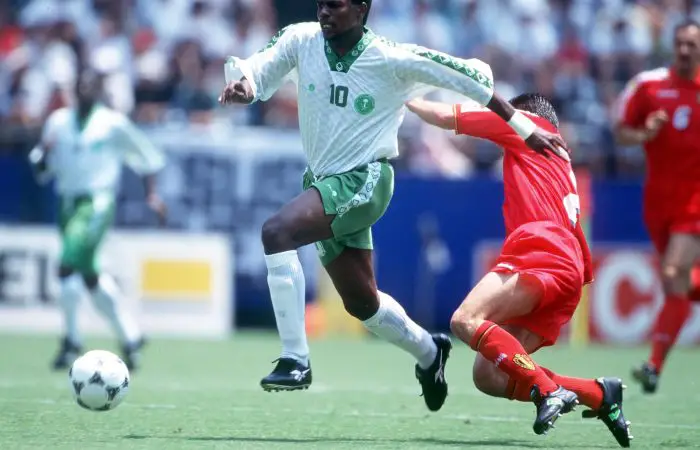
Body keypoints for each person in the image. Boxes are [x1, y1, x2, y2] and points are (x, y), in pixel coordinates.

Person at [219, 0, 566, 413]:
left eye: (335, 5)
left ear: (362, 8)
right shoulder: (302, 40)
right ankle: (429, 351)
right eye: (321, 4)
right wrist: (246, 86)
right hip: (323, 181)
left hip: (365, 179)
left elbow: (472, 77)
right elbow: (262, 65)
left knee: (277, 232)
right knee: (362, 304)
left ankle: (295, 358)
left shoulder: (391, 58)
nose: (324, 12)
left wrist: (523, 127)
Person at [405, 93, 632, 445]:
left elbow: (444, 115)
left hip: (543, 250)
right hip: (568, 268)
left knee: (465, 320)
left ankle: (546, 391)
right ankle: (597, 394)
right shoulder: (558, 156)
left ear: (522, 115)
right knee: (489, 376)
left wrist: (402, 93)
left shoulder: (528, 127)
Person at [28, 69, 167, 371]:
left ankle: (72, 340)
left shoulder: (112, 124)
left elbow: (148, 156)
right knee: (90, 276)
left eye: (92, 86)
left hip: (97, 203)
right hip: (66, 203)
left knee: (66, 265)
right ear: (75, 89)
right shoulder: (58, 122)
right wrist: (42, 158)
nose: (87, 90)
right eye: (82, 85)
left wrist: (152, 195)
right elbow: (42, 170)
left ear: (100, 91)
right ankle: (131, 337)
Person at [614, 20, 700, 394]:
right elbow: (621, 131)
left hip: (695, 200)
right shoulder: (648, 86)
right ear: (671, 46)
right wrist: (645, 133)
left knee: (671, 271)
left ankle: (652, 364)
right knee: (681, 286)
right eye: (680, 43)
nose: (685, 50)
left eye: (692, 45)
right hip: (658, 202)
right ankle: (654, 368)